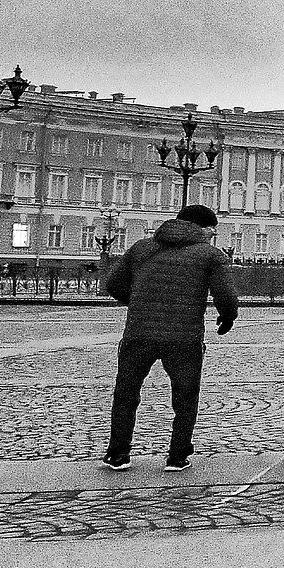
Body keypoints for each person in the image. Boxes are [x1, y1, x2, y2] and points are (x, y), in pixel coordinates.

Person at [101, 202, 238, 471]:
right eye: (212, 230)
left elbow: (113, 284)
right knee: (185, 397)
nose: (212, 235)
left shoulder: (141, 248)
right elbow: (225, 295)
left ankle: (117, 453)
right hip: (184, 338)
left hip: (138, 334)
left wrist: (139, 303)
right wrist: (227, 317)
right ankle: (177, 456)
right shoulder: (210, 255)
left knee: (126, 393)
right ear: (203, 228)